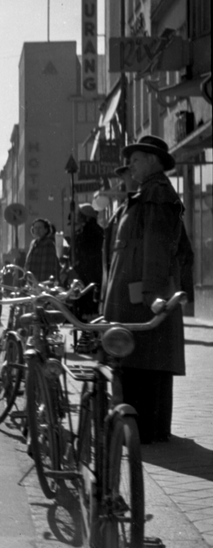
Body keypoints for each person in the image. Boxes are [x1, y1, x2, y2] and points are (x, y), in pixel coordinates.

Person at [102, 136, 190, 444]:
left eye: (136, 160)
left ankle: (144, 435)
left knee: (144, 366)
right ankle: (138, 433)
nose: (132, 166)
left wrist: (153, 295)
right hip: (134, 300)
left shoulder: (156, 195)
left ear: (152, 161)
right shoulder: (145, 194)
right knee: (136, 365)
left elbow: (157, 250)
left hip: (142, 301)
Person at [24, 218, 61, 285]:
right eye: (35, 228)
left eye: (40, 228)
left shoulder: (48, 243)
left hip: (43, 284)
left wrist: (41, 284)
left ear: (46, 230)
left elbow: (48, 266)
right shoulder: (33, 243)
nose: (37, 230)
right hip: (32, 283)